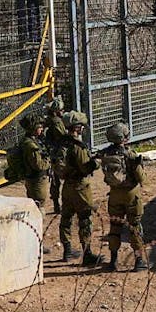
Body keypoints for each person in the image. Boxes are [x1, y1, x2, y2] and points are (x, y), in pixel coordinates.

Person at [99, 123, 150, 272]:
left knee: (115, 227)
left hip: (114, 194)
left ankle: (113, 261)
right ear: (124, 137)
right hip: (131, 195)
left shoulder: (106, 154)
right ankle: (139, 261)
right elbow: (141, 178)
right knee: (135, 227)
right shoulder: (130, 154)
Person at [58, 110, 104, 266]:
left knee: (66, 218)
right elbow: (85, 167)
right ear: (77, 128)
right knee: (85, 219)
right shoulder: (78, 146)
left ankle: (67, 251)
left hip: (67, 186)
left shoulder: (62, 143)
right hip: (80, 187)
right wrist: (97, 161)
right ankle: (87, 253)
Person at [45, 98, 68, 214]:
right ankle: (66, 205)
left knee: (55, 182)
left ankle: (56, 204)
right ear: (56, 111)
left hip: (52, 154)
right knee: (68, 179)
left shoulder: (48, 120)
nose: (63, 112)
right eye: (61, 110)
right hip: (59, 154)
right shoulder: (57, 122)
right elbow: (63, 137)